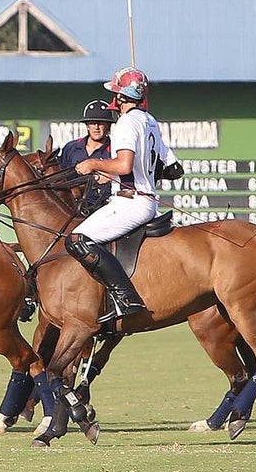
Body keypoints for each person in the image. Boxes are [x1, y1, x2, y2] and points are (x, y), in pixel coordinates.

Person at [69, 67, 178, 323]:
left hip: (131, 201)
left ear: (120, 97)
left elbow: (124, 165)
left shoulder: (126, 123)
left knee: (76, 239)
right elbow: (173, 169)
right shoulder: (151, 121)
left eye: (116, 94)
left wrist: (94, 165)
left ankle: (125, 297)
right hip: (146, 199)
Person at [56, 100, 116, 212]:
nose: (96, 127)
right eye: (92, 122)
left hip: (104, 209)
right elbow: (59, 176)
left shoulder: (116, 150)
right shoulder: (71, 148)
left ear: (108, 126)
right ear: (87, 125)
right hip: (71, 209)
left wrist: (111, 177)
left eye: (101, 123)